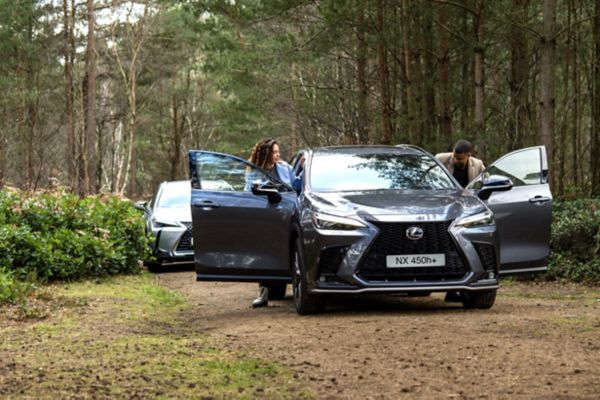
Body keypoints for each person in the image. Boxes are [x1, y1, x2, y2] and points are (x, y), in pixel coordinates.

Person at [245, 138, 303, 308]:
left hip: (285, 213)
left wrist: (302, 168)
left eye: (278, 151)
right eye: (275, 152)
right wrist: (266, 190)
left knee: (287, 249)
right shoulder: (255, 171)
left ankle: (296, 286)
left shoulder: (285, 167)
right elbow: (249, 191)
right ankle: (263, 293)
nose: (278, 155)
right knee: (264, 252)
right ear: (266, 154)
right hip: (264, 216)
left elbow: (296, 185)